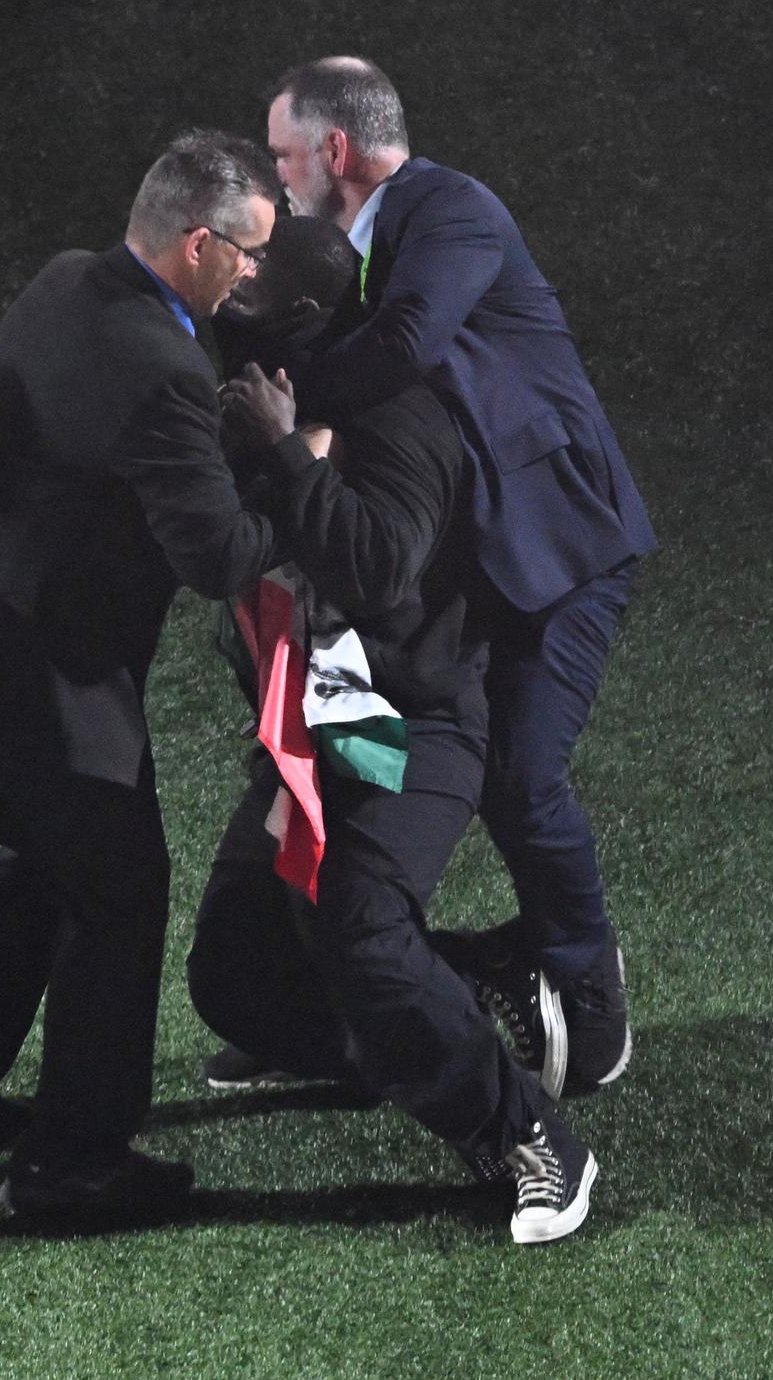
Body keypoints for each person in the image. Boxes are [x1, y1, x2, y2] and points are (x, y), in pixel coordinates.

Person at [0, 131, 284, 1225]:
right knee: (118, 881)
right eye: (247, 255)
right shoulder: (169, 370)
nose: (254, 276)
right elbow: (215, 557)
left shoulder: (66, 280)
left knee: (43, 848)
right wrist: (294, 462)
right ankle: (72, 1162)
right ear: (197, 244)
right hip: (26, 657)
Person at [193, 215, 599, 1244]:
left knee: (363, 931)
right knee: (236, 974)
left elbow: (374, 568)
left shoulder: (404, 417)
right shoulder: (257, 400)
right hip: (314, 720)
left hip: (412, 728)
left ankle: (529, 1135)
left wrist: (287, 451)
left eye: (245, 301)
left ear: (300, 327)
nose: (222, 319)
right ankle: (435, 997)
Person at [259, 57, 655, 1102]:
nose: (275, 176)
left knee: (521, 773)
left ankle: (587, 986)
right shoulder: (353, 248)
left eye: (282, 154)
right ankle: (399, 980)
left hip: (563, 552)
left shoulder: (450, 208)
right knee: (406, 759)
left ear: (334, 151)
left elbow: (404, 342)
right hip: (476, 568)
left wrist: (277, 404)